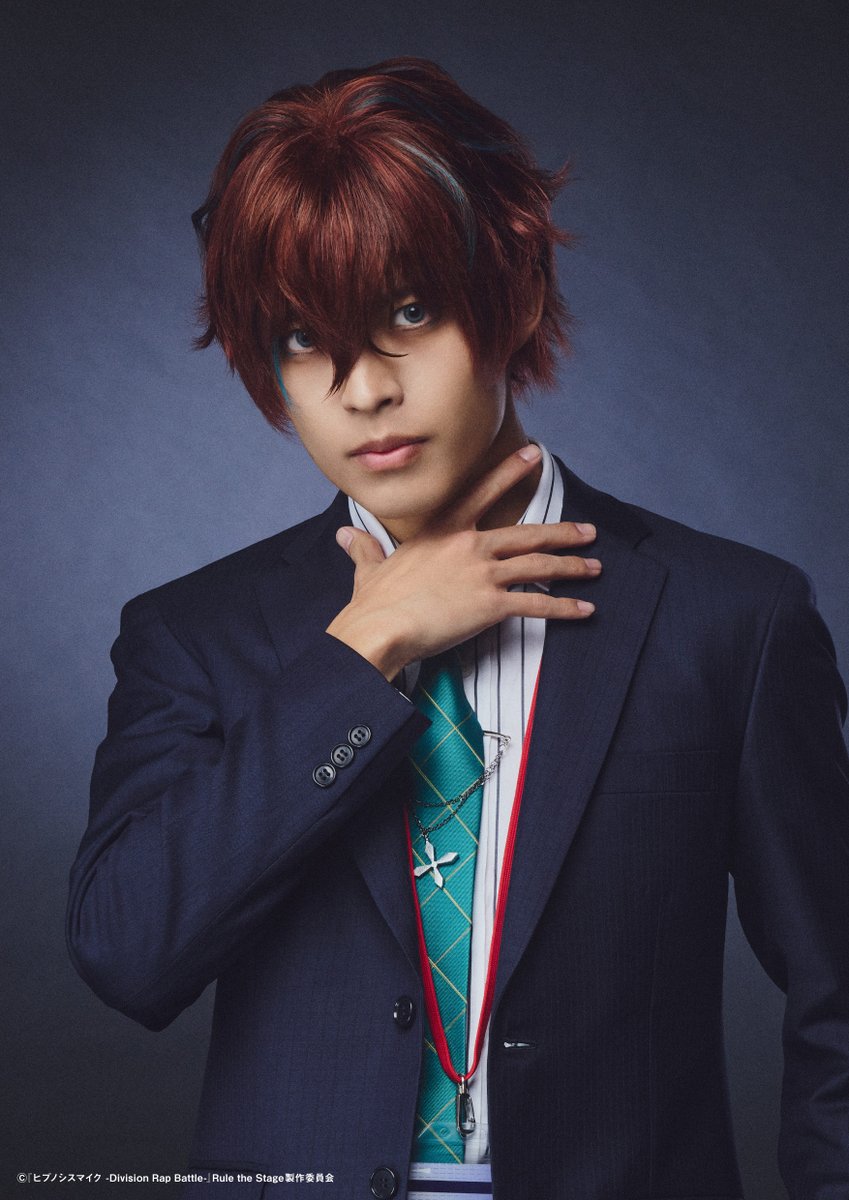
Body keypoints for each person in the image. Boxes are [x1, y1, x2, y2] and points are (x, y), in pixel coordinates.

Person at [66, 56, 849, 1199]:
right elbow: (129, 956)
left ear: (515, 295)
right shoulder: (196, 635)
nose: (362, 390)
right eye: (303, 338)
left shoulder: (732, 617)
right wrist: (360, 655)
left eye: (409, 312)